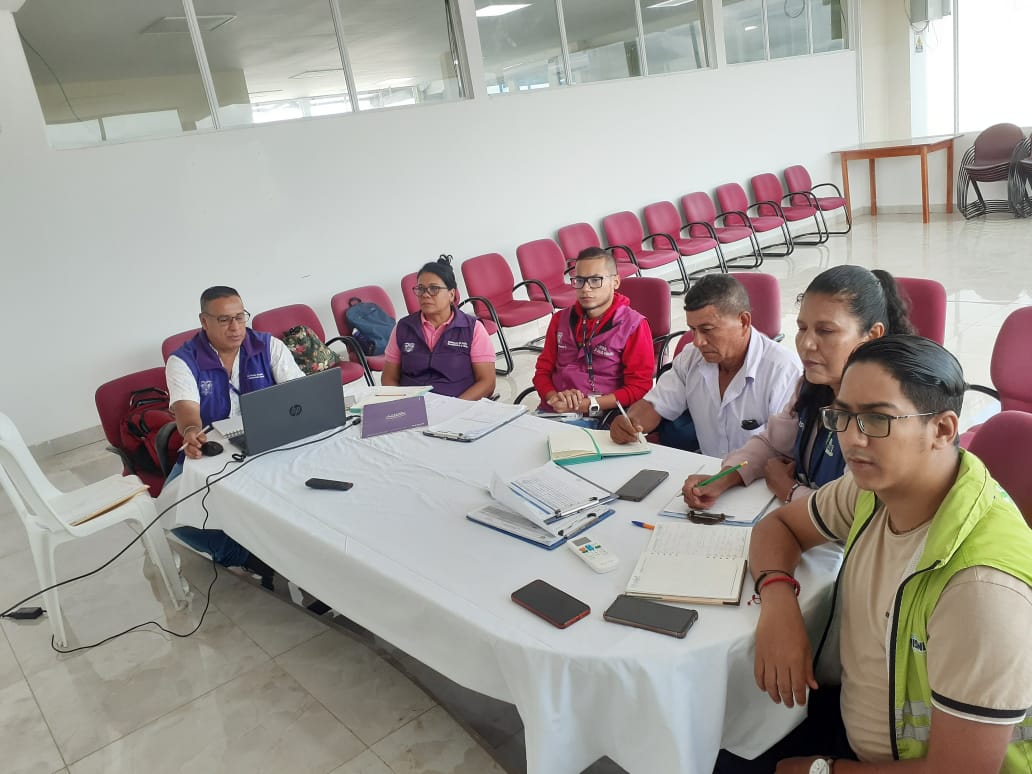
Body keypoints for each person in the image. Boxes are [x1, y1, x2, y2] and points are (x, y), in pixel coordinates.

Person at [715, 335, 1032, 774]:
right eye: (843, 415)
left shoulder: (980, 588)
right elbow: (779, 526)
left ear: (942, 430)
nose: (852, 438)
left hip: (897, 763)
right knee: (717, 736)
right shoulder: (876, 488)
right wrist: (778, 603)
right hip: (850, 719)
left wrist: (821, 770)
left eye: (877, 419)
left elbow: (962, 770)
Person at [682, 266, 913, 510]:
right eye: (802, 328)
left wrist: (788, 489)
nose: (806, 343)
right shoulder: (812, 386)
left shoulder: (885, 418)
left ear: (872, 335)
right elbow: (773, 443)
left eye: (825, 331)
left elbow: (853, 511)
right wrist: (725, 477)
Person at [165, 285, 304, 585]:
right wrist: (191, 431)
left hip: (272, 437)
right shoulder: (183, 360)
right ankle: (250, 557)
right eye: (225, 319)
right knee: (169, 510)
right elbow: (186, 409)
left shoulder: (268, 346)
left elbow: (298, 394)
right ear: (204, 321)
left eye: (240, 317)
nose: (236, 327)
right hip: (214, 447)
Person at [610, 273, 800, 455]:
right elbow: (655, 405)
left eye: (707, 330)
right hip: (707, 469)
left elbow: (784, 454)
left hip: (758, 474)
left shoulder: (783, 370)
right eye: (693, 330)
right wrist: (630, 422)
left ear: (743, 321)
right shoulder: (691, 357)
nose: (697, 341)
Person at [532, 247, 654, 424]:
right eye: (579, 280)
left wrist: (588, 405)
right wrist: (553, 398)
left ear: (615, 282)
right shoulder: (560, 319)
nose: (585, 288)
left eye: (595, 280)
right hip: (553, 410)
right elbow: (542, 371)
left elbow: (639, 387)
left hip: (600, 416)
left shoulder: (633, 325)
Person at [382, 256, 496, 400]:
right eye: (420, 289)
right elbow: (388, 377)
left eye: (434, 289)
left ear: (451, 294)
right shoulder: (403, 328)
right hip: (412, 405)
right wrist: (404, 404)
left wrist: (454, 407)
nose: (425, 295)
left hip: (458, 405)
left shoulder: (472, 329)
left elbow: (487, 382)